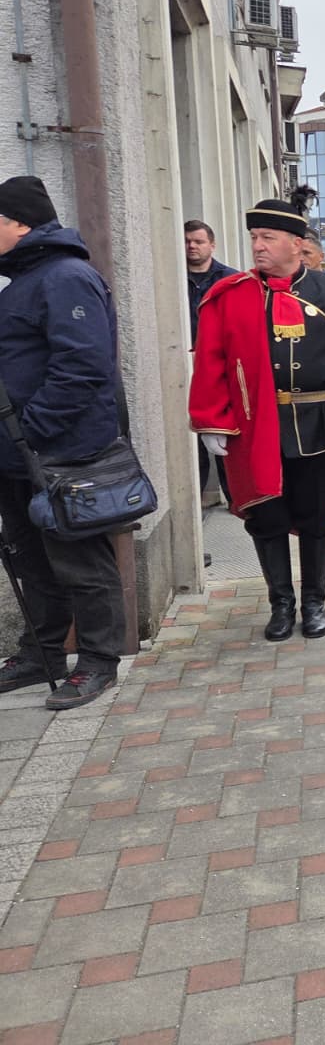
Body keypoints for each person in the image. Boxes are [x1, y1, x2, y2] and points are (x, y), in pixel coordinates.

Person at [190, 189, 325, 641]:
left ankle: (314, 603)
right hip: (255, 429)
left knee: (316, 519)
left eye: (268, 238)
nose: (258, 246)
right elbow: (211, 361)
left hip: (317, 426)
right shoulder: (231, 295)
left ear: (296, 243)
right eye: (254, 237)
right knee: (265, 518)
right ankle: (281, 604)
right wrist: (212, 420)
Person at [0, 175, 126, 709]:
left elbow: (83, 365)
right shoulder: (25, 281)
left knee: (80, 559)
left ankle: (98, 661)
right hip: (19, 455)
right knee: (31, 559)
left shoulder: (66, 277)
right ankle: (42, 654)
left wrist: (32, 429)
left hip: (60, 451)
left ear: (19, 224)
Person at [186, 220, 238, 507]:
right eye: (187, 241)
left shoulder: (229, 280)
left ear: (212, 245)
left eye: (198, 241)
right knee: (194, 436)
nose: (192, 246)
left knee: (223, 433)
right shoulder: (174, 278)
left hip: (220, 363)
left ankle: (235, 498)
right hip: (184, 361)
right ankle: (197, 498)